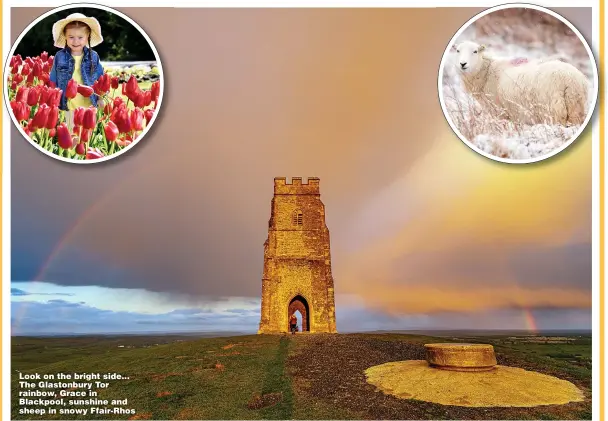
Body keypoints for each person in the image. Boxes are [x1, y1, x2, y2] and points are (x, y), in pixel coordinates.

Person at [49, 13, 105, 115]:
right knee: (69, 129)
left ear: (87, 36)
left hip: (89, 104)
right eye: (71, 37)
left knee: (86, 129)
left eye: (80, 37)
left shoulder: (93, 56)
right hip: (67, 105)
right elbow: (53, 79)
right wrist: (54, 100)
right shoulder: (60, 56)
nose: (75, 41)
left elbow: (101, 80)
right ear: (65, 36)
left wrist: (100, 98)